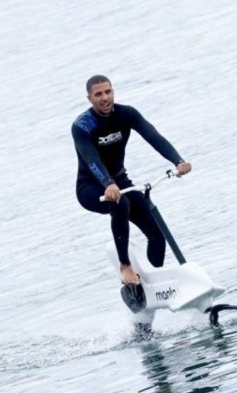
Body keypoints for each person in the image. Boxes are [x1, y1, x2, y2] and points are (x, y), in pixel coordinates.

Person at [71, 75, 192, 285]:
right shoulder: (82, 126)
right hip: (91, 187)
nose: (105, 98)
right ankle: (125, 265)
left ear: (113, 92)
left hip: (121, 182)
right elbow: (91, 159)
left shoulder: (127, 114)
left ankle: (149, 285)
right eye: (98, 94)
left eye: (108, 92)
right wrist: (108, 184)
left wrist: (178, 160)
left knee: (156, 234)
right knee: (120, 202)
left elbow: (154, 137)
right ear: (89, 98)